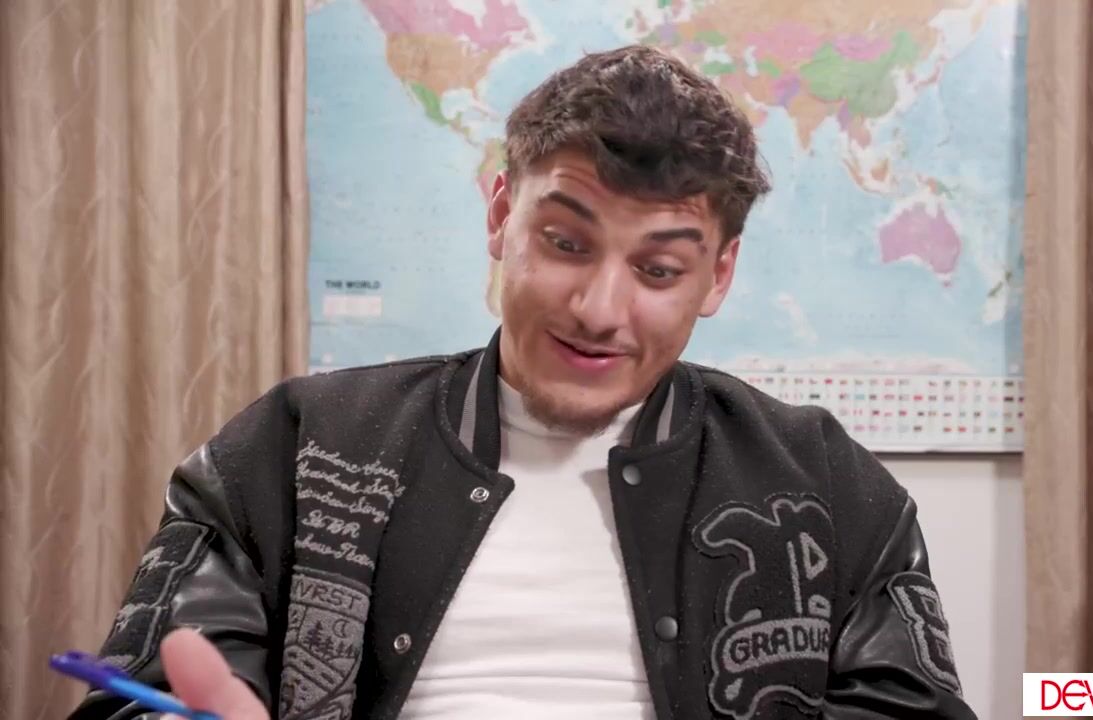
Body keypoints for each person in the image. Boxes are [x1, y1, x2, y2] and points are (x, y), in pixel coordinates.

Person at [70, 45, 976, 720]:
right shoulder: (302, 445)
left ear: (719, 276)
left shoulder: (820, 480)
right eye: (566, 242)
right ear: (503, 216)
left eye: (659, 270)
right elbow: (136, 697)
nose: (599, 309)